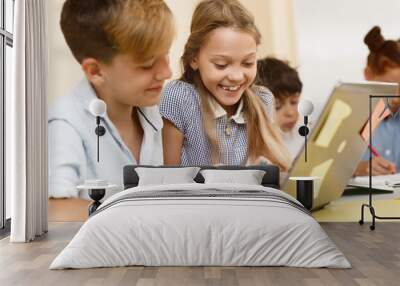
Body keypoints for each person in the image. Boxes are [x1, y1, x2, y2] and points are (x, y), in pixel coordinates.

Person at [49, 0, 175, 199]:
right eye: (147, 64)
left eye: (166, 55)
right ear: (96, 71)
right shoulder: (64, 125)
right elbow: (53, 208)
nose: (167, 72)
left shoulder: (160, 109)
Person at [159, 0, 291, 171]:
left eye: (248, 63)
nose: (236, 77)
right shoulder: (179, 97)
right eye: (221, 65)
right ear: (194, 59)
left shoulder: (263, 100)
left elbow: (273, 175)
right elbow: (169, 181)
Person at [354, 26, 400, 176]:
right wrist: (359, 169)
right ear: (368, 74)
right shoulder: (351, 119)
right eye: (389, 86)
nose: (396, 97)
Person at [256, 57, 304, 159]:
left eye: (294, 102)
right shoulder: (253, 151)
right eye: (277, 107)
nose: (290, 113)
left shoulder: (303, 137)